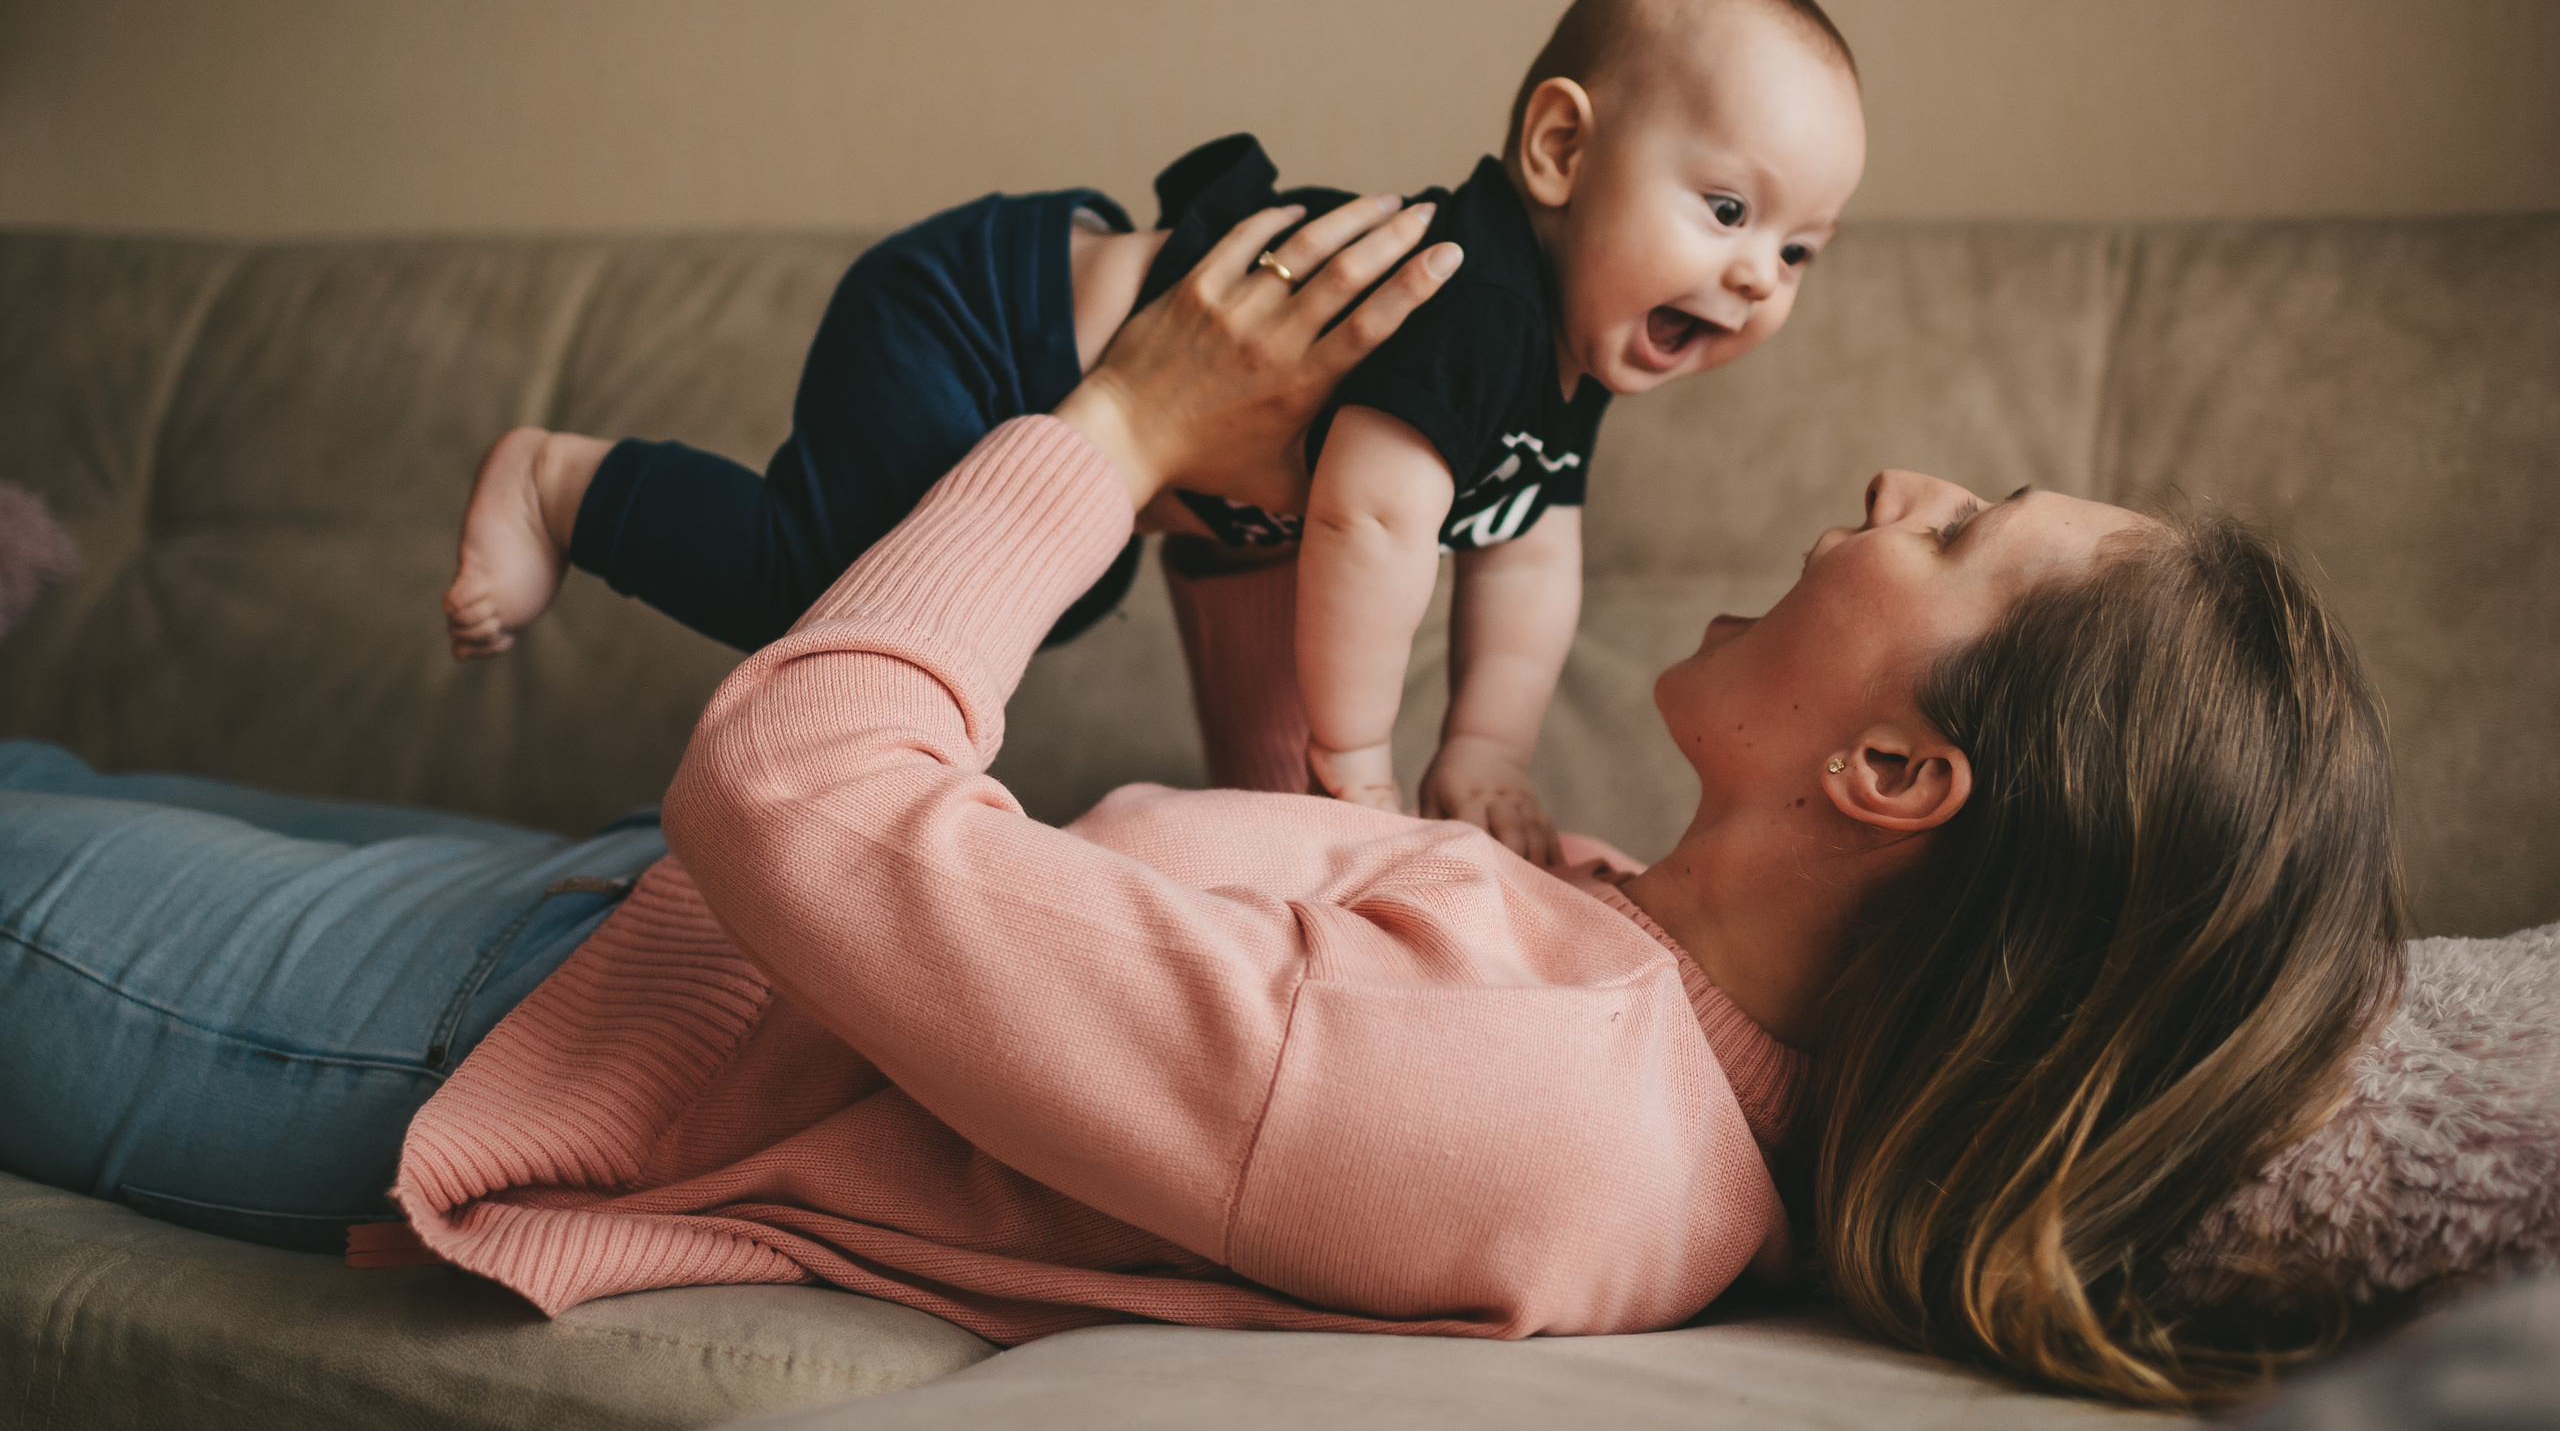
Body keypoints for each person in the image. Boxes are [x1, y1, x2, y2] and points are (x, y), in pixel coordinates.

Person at [0, 201, 2400, 1410]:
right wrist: (1256, 521)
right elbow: (1251, 914)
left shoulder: (1536, 1101)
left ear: (1895, 774)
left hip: (511, 1026)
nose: (1888, 482)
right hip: (624, 933)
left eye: (1957, 527)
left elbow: (790, 779)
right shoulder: (1627, 978)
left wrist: (1122, 423)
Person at [441, 0, 1868, 866]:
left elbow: (1531, 551)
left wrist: (1486, 751)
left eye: (1799, 251)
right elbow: (1373, 525)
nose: (1759, 276)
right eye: (1728, 210)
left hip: (1190, 463)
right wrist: (1365, 763)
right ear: (1559, 149)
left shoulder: (1573, 362)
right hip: (983, 326)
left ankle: (1287, 814)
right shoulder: (1476, 299)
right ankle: (566, 483)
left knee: (1215, 592)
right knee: (820, 583)